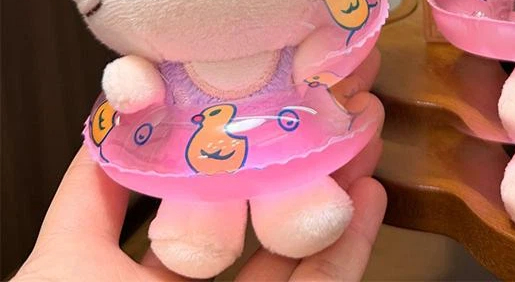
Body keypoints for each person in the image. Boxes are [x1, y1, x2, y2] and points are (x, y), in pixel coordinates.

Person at [14, 53, 387, 282]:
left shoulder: (285, 35)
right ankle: (198, 227)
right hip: (191, 157)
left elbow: (314, 63)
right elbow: (139, 86)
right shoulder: (168, 55)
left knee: (296, 189)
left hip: (283, 137)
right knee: (197, 213)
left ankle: (296, 206)